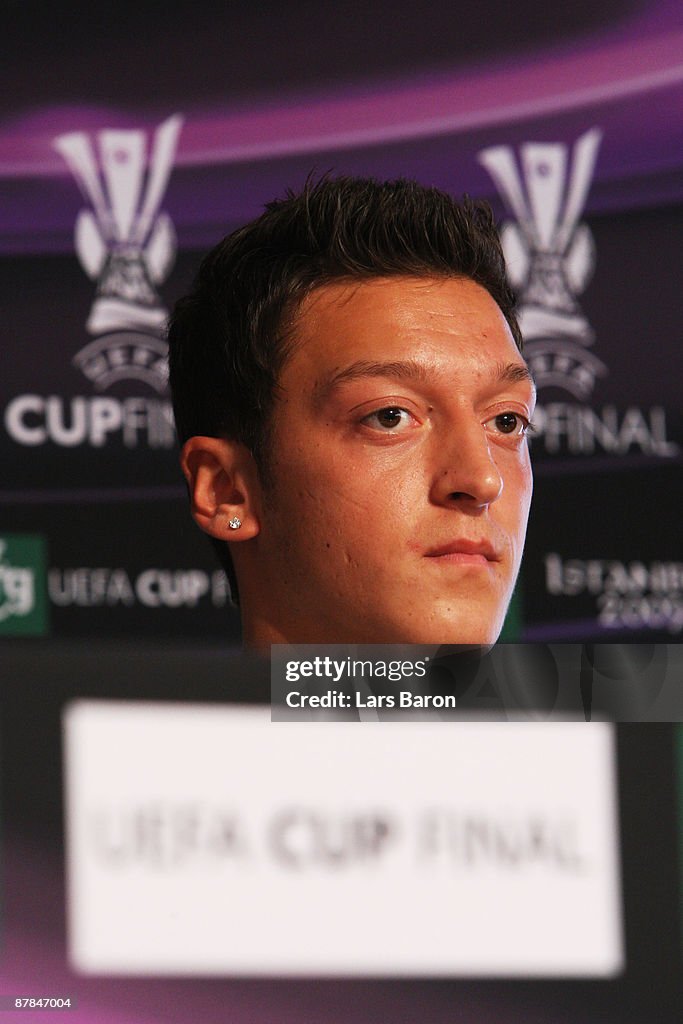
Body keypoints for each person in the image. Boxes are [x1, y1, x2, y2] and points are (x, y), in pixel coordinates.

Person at [168, 176, 535, 647]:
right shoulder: (89, 722)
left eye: (506, 422)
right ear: (227, 490)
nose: (482, 481)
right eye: (390, 416)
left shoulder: (626, 711)